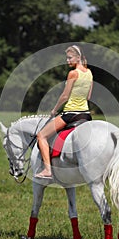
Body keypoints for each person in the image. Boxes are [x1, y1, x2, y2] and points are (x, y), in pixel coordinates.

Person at [35, 45, 93, 179]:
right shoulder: (89, 72)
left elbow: (65, 96)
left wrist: (55, 109)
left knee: (41, 136)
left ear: (78, 58)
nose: (67, 61)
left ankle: (47, 170)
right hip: (86, 114)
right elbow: (88, 96)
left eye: (70, 58)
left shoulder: (73, 73)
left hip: (71, 114)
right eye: (67, 58)